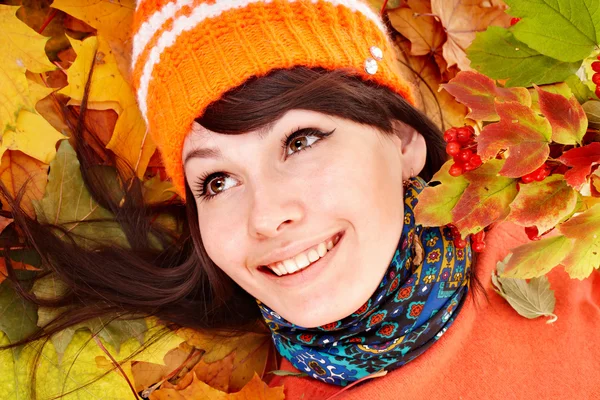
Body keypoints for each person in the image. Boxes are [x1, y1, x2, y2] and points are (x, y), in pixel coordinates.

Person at [2, 0, 598, 398]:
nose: (265, 216)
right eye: (217, 181)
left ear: (404, 142)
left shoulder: (573, 248)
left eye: (301, 140)